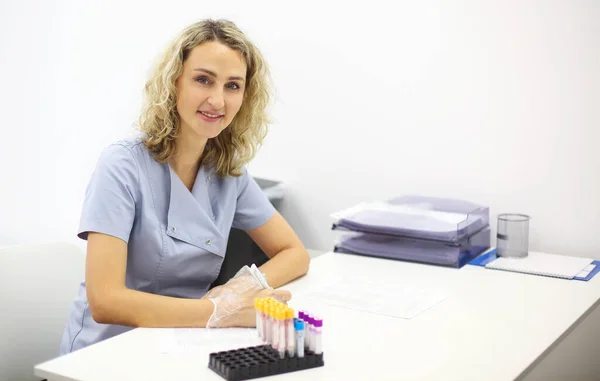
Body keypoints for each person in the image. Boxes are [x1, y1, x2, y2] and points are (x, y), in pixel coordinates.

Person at [59, 19, 310, 355]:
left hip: (182, 342)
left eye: (232, 86)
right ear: (173, 82)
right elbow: (105, 301)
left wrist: (237, 292)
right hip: (105, 352)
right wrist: (219, 313)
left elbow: (295, 254)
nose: (217, 101)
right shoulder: (122, 166)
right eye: (203, 80)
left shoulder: (228, 173)